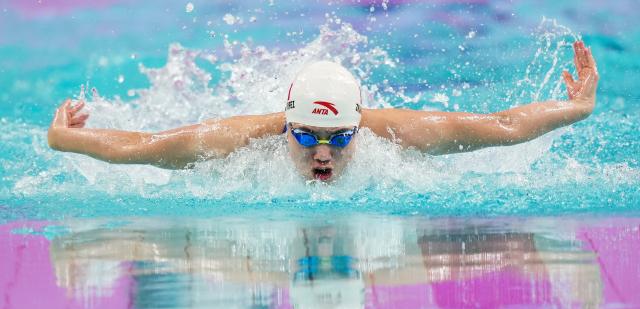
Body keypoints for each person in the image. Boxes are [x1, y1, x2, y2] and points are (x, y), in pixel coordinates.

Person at [48, 41, 598, 182]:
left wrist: (577, 108)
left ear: (360, 124)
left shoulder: (402, 135)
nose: (325, 154)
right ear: (285, 124)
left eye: (339, 137)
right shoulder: (238, 142)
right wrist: (65, 140)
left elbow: (502, 127)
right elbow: (144, 149)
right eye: (307, 138)